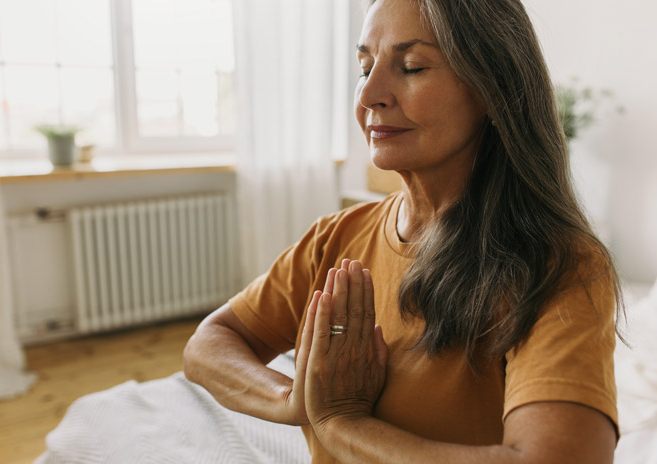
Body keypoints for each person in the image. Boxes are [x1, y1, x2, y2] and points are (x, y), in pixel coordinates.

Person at [183, 0, 622, 462]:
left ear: (493, 88)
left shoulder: (560, 264)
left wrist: (342, 423)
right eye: (364, 67)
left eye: (410, 67)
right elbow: (208, 345)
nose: (370, 94)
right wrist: (291, 400)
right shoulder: (334, 238)